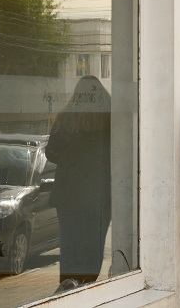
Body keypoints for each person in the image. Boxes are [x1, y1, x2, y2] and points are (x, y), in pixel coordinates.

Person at [46, 75, 112, 291]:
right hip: (99, 194)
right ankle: (86, 288)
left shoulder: (66, 117)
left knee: (70, 246)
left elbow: (51, 153)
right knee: (93, 246)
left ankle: (68, 288)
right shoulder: (110, 117)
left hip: (68, 194)